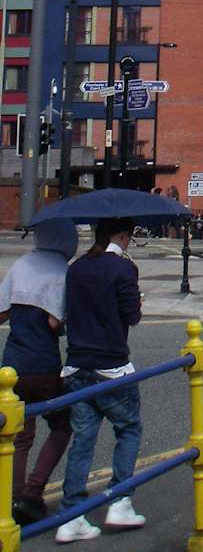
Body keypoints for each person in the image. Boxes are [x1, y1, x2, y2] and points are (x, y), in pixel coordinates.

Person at [55, 219, 146, 542]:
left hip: (77, 365)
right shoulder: (123, 269)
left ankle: (71, 515)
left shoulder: (76, 268)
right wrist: (137, 299)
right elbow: (132, 316)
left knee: (83, 439)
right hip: (111, 366)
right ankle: (120, 501)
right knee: (129, 429)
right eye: (129, 236)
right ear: (121, 235)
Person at [0, 221, 77, 526]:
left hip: (12, 364)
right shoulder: (62, 272)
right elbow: (54, 323)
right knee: (62, 424)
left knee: (20, 434)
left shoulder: (21, 265)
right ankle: (33, 492)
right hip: (43, 363)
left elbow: (2, 312)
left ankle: (13, 497)